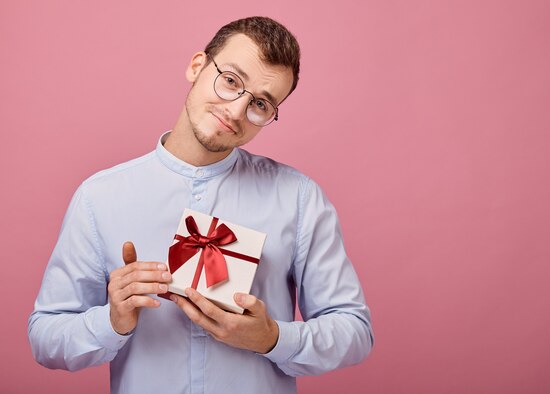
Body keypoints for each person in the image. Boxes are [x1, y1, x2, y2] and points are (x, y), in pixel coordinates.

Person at [28, 16, 373, 394]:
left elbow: (354, 330)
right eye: (231, 81)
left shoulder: (299, 199)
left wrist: (272, 338)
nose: (237, 111)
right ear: (197, 66)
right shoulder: (99, 197)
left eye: (260, 104)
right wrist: (112, 321)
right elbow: (45, 338)